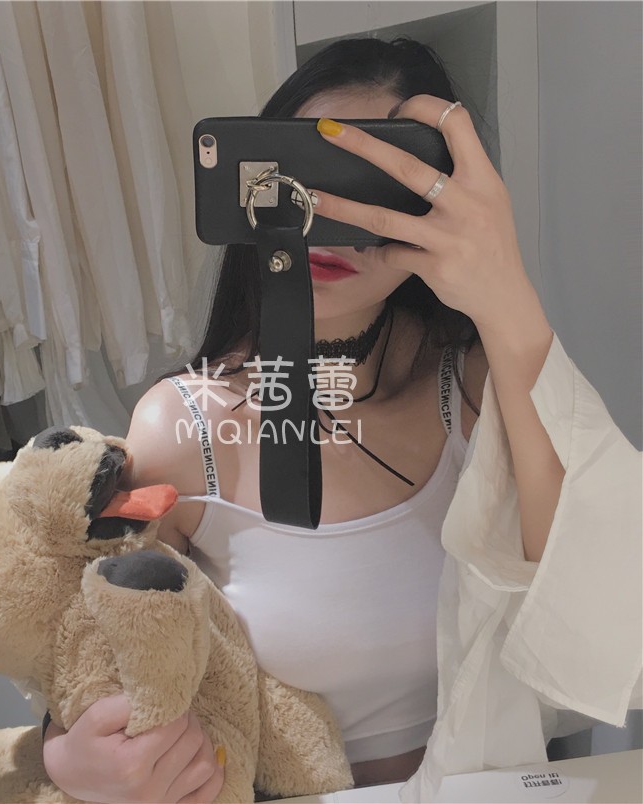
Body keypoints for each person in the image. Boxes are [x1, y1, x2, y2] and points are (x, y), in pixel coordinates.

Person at [42, 37, 641, 803]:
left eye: (378, 189)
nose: (328, 219)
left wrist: (506, 296)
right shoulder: (186, 429)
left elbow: (605, 600)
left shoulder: (478, 390)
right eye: (302, 178)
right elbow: (102, 644)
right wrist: (68, 753)